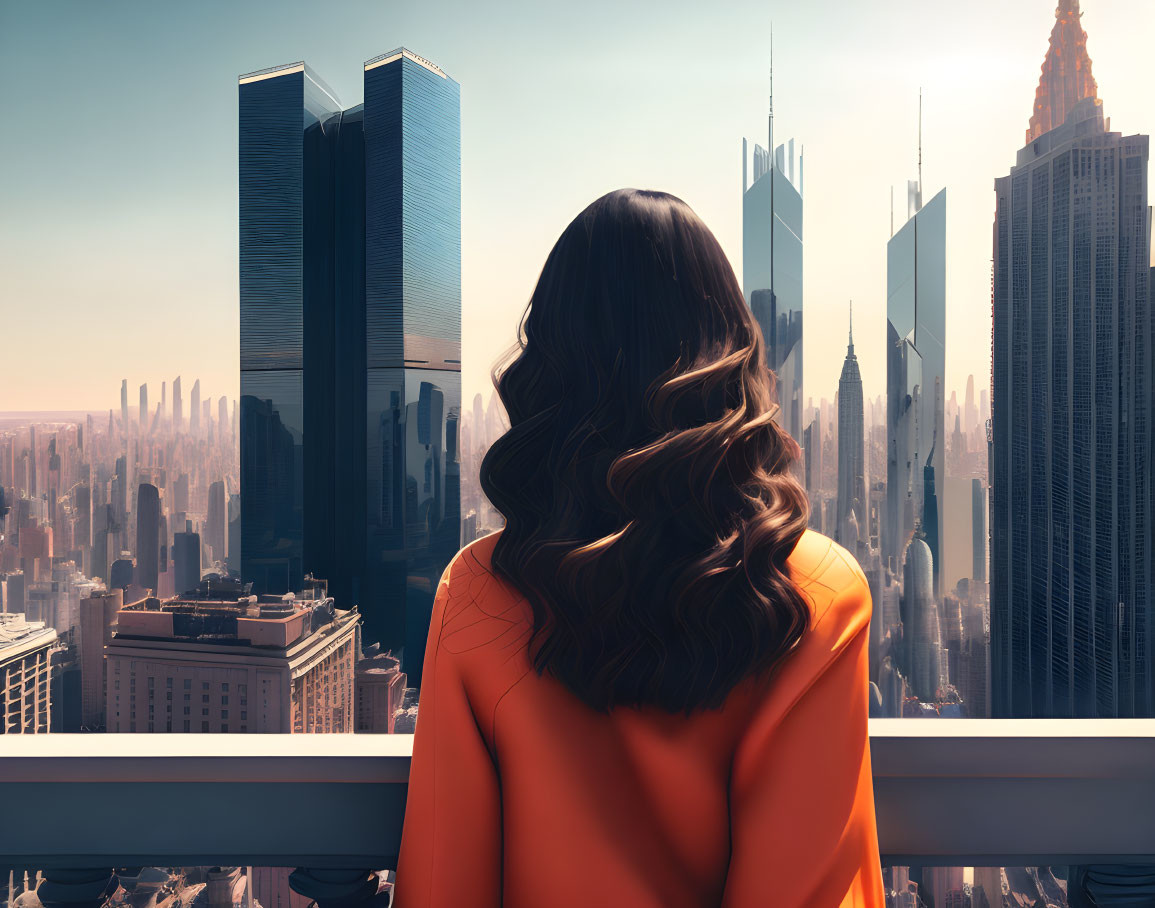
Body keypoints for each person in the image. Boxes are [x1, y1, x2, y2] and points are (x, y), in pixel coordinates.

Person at [395, 189, 884, 907]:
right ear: (728, 357)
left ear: (552, 365)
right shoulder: (815, 590)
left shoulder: (478, 590)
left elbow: (443, 887)